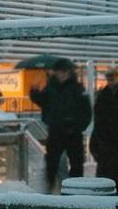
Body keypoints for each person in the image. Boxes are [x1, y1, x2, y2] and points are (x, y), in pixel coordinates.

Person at [29, 57, 91, 192]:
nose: (61, 74)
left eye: (64, 72)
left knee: (76, 163)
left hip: (73, 132)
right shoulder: (51, 87)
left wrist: (77, 126)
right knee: (51, 163)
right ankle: (49, 190)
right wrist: (34, 94)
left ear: (69, 72)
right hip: (55, 131)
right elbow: (44, 102)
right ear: (55, 72)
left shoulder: (77, 88)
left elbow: (86, 112)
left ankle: (76, 191)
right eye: (59, 71)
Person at [89, 69, 118, 193]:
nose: (110, 81)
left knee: (115, 174)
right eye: (108, 79)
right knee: (108, 173)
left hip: (117, 138)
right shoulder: (104, 95)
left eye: (111, 78)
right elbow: (98, 118)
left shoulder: (108, 94)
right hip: (107, 139)